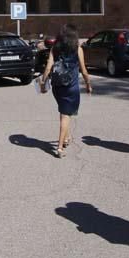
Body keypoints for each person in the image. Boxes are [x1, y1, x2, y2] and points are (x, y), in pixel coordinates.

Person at [39, 24, 92, 158]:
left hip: (57, 86)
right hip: (71, 87)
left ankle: (66, 138)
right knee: (65, 115)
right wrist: (88, 84)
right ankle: (60, 148)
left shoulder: (54, 49)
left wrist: (43, 82)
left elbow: (48, 68)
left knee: (64, 112)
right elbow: (84, 70)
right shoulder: (77, 49)